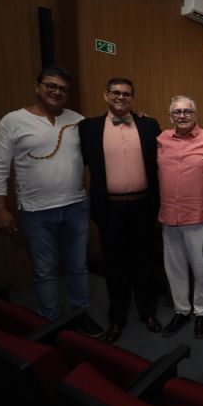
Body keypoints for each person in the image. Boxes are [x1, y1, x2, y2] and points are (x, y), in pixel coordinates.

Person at [0, 66, 103, 336]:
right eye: (51, 86)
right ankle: (49, 322)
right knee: (45, 271)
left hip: (75, 207)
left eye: (62, 89)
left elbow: (104, 141)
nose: (56, 92)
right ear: (37, 86)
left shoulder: (77, 120)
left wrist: (133, 119)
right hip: (36, 211)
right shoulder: (12, 121)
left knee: (77, 266)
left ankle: (80, 314)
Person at [78, 78, 162, 343]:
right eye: (115, 93)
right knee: (114, 265)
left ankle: (147, 312)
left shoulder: (149, 125)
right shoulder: (88, 128)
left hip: (143, 205)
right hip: (110, 208)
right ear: (105, 95)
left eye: (126, 94)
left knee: (144, 262)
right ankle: (117, 318)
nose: (121, 97)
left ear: (133, 98)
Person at [157, 95, 203, 338]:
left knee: (202, 269)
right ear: (170, 115)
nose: (182, 116)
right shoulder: (162, 139)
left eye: (187, 111)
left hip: (199, 217)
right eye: (177, 112)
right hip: (169, 217)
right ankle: (181, 310)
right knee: (174, 269)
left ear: (195, 114)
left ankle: (201, 313)